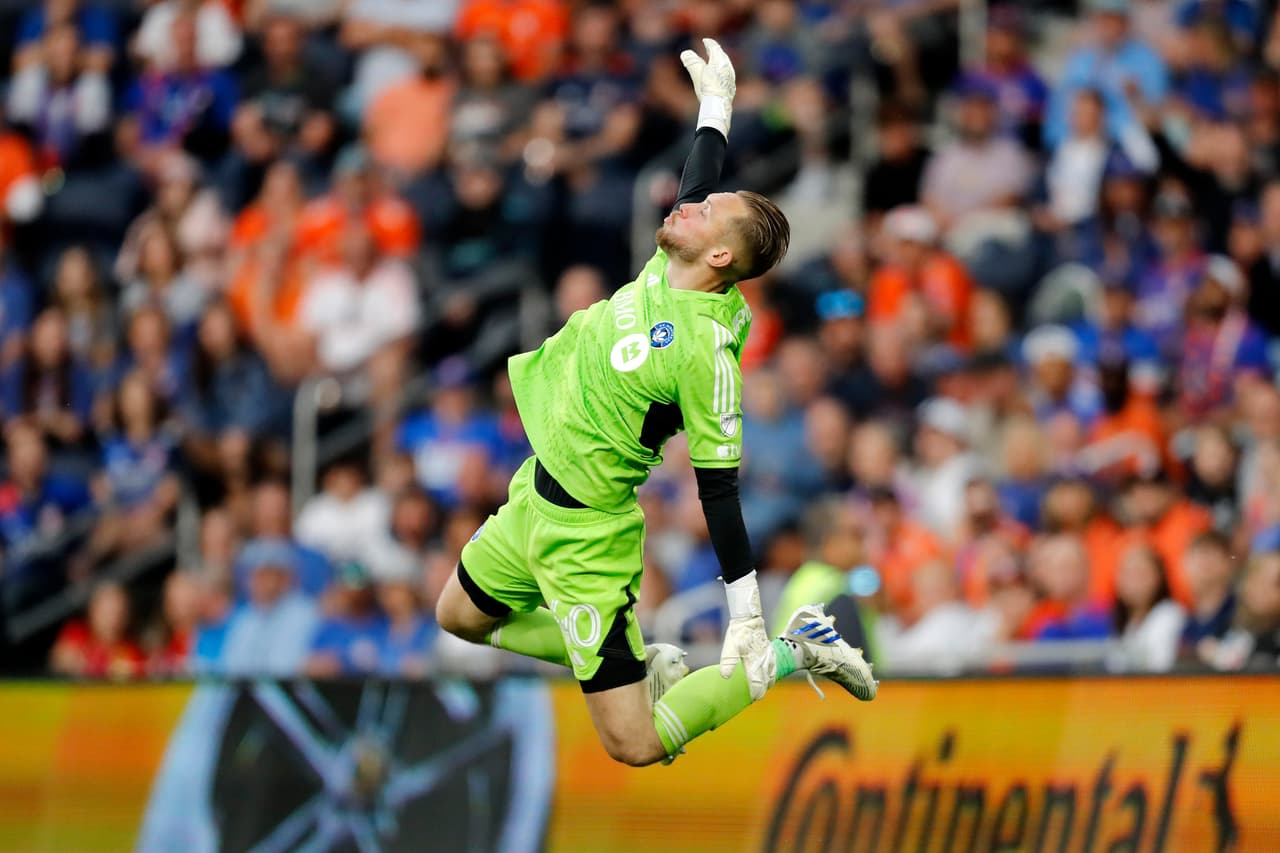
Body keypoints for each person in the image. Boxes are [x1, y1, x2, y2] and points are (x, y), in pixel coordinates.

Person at [435, 39, 875, 769]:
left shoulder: (705, 349)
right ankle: (649, 658)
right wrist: (716, 110)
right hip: (532, 500)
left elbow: (719, 484)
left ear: (722, 259)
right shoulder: (670, 267)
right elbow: (695, 183)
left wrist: (745, 614)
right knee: (458, 614)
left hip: (585, 537)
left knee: (635, 744)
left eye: (708, 215)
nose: (690, 208)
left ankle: (795, 649)